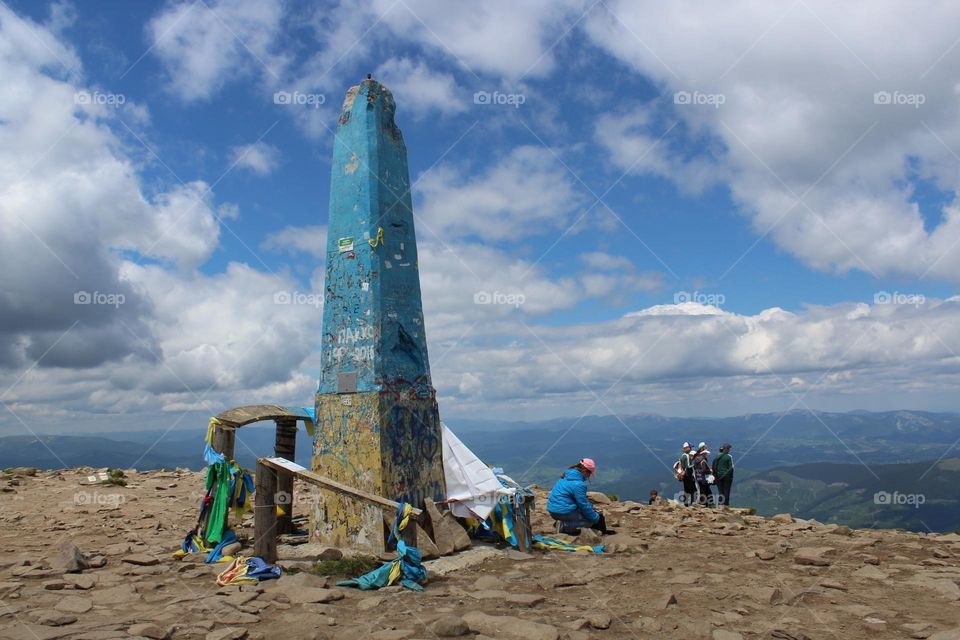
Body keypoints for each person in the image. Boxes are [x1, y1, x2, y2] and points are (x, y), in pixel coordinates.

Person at [547, 458, 611, 534]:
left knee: (588, 514)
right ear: (585, 471)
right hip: (563, 511)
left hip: (553, 509)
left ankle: (563, 522)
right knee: (591, 521)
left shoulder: (565, 476)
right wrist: (596, 517)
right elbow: (583, 505)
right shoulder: (578, 484)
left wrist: (591, 508)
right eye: (589, 473)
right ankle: (564, 525)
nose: (588, 476)